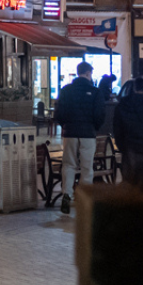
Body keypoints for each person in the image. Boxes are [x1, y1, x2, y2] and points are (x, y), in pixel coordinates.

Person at [53, 61, 105, 214]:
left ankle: (66, 195)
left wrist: (65, 125)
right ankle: (83, 199)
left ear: (77, 73)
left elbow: (59, 113)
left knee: (68, 165)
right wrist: (94, 127)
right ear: (89, 73)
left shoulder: (66, 90)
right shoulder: (95, 92)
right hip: (88, 133)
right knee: (86, 167)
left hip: (70, 132)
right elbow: (100, 114)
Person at [110, 79, 143, 189]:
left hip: (129, 148)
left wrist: (121, 147)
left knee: (130, 184)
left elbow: (117, 129)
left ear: (133, 88)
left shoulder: (121, 106)